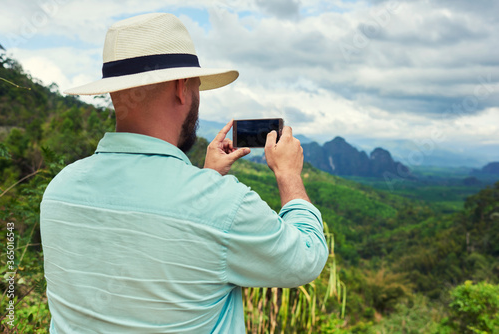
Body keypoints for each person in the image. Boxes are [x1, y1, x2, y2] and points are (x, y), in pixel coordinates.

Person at [40, 13, 328, 333]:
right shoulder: (223, 205)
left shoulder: (59, 189)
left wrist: (207, 179)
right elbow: (306, 257)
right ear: (181, 88)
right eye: (197, 85)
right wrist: (289, 174)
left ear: (113, 91)